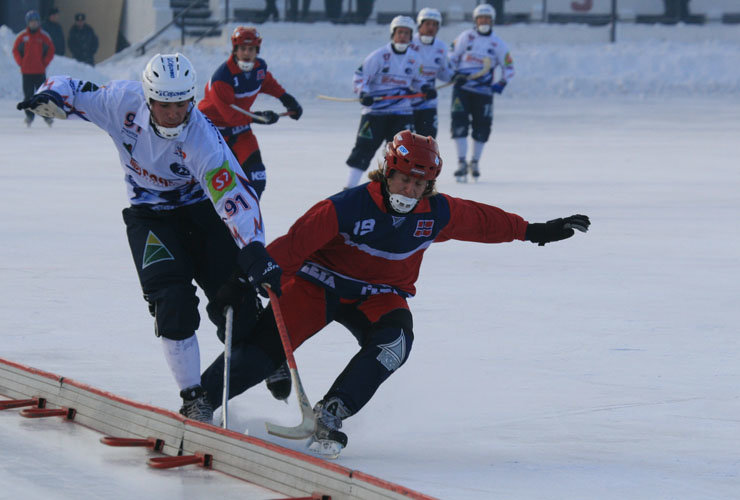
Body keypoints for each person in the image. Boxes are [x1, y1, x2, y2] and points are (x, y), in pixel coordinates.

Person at [196, 130, 590, 458]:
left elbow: (482, 221)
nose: (410, 189)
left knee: (396, 341)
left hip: (379, 295)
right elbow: (296, 244)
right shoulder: (348, 206)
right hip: (321, 284)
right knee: (265, 350)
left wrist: (532, 230)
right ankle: (202, 400)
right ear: (386, 173)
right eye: (403, 179)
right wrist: (243, 278)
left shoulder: (435, 213)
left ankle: (332, 412)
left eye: (419, 183)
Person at [16, 52, 285, 424]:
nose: (175, 113)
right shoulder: (119, 103)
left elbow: (234, 197)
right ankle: (194, 397)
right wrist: (52, 95)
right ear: (148, 98)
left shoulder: (202, 136)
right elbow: (74, 89)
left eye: (182, 104)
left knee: (233, 295)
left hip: (201, 213)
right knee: (171, 302)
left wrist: (253, 247)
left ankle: (261, 353)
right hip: (150, 217)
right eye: (164, 104)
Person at [198, 26, 303, 200]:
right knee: (215, 186)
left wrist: (286, 99)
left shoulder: (259, 68)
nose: (247, 53)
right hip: (214, 134)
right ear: (235, 50)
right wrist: (259, 117)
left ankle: (249, 220)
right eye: (242, 49)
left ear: (257, 50)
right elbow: (230, 116)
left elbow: (266, 82)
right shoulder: (222, 78)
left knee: (257, 177)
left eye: (251, 49)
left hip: (240, 131)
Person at [343, 15, 434, 190]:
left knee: (402, 152)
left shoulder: (415, 59)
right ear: (393, 34)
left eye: (407, 33)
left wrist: (426, 89)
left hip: (402, 112)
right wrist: (364, 93)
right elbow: (360, 77)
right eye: (400, 32)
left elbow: (418, 81)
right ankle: (349, 187)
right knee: (364, 149)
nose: (403, 37)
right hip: (375, 112)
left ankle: (391, 188)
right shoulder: (379, 56)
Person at [449, 3, 514, 182]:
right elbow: (451, 58)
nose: (484, 21)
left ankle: (475, 162)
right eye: (481, 18)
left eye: (487, 18)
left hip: (484, 93)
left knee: (482, 128)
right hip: (462, 90)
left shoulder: (497, 43)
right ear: (475, 20)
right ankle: (461, 162)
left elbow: (509, 67)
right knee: (459, 125)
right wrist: (455, 75)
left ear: (492, 21)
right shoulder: (465, 37)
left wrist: (501, 83)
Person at [411, 7, 454, 138]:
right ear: (420, 25)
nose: (431, 27)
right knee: (403, 145)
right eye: (427, 24)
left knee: (427, 142)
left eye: (435, 24)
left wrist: (455, 77)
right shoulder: (408, 43)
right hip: (406, 104)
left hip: (428, 103)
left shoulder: (441, 47)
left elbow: (443, 72)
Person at [13, 10, 55, 127]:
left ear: (39, 23)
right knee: (28, 95)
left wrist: (44, 63)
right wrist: (20, 62)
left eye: (36, 22)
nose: (34, 24)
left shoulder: (43, 36)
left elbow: (51, 50)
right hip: (26, 72)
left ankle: (47, 117)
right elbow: (15, 50)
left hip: (39, 71)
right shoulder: (22, 36)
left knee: (42, 95)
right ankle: (29, 116)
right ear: (28, 23)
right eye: (31, 22)